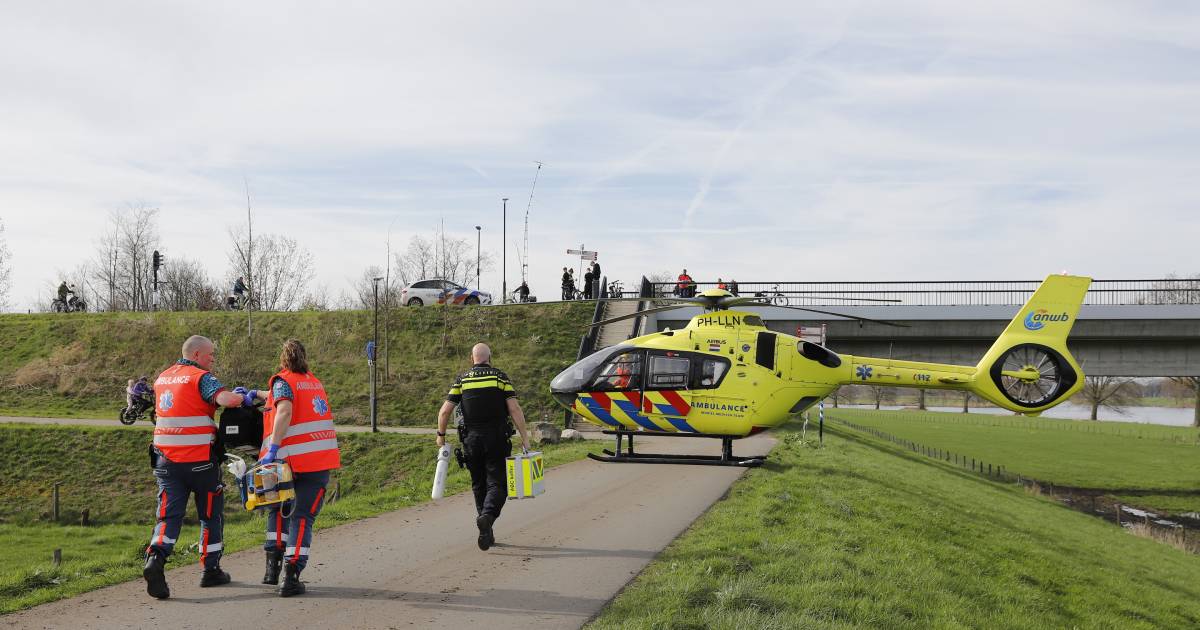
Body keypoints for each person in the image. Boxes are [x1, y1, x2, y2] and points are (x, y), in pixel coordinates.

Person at [143, 335, 255, 600]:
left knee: (168, 516)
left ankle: (155, 559)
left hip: (166, 462)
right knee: (210, 515)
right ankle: (211, 569)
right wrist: (242, 397)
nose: (213, 359)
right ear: (196, 355)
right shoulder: (201, 377)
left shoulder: (163, 377)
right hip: (200, 463)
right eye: (210, 355)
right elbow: (225, 399)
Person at [241, 339, 341, 597]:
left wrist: (273, 447)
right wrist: (256, 393)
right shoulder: (314, 382)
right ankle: (291, 576)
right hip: (317, 462)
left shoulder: (282, 381)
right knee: (303, 518)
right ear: (304, 357)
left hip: (284, 461)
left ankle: (272, 569)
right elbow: (282, 396)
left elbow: (284, 408)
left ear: (282, 360)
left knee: (278, 509)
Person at [437, 343, 530, 551]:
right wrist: (525, 438)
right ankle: (487, 516)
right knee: (498, 484)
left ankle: (486, 532)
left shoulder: (462, 379)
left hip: (471, 440)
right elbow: (514, 409)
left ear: (472, 358)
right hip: (496, 438)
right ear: (490, 357)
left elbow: (444, 412)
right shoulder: (500, 377)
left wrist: (440, 436)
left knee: (478, 485)